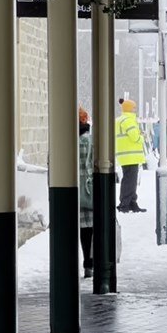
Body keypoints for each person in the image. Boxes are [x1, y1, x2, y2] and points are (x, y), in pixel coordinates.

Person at [115, 98, 147, 213]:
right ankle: (125, 204)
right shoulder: (128, 120)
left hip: (124, 155)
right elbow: (134, 137)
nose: (135, 109)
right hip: (131, 155)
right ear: (129, 108)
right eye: (134, 107)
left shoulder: (119, 120)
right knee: (130, 180)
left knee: (129, 179)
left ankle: (132, 202)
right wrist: (142, 137)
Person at [78, 107, 95, 279]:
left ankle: (87, 262)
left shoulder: (68, 143)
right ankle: (93, 260)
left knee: (83, 230)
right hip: (91, 190)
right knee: (93, 228)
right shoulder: (91, 140)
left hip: (76, 192)